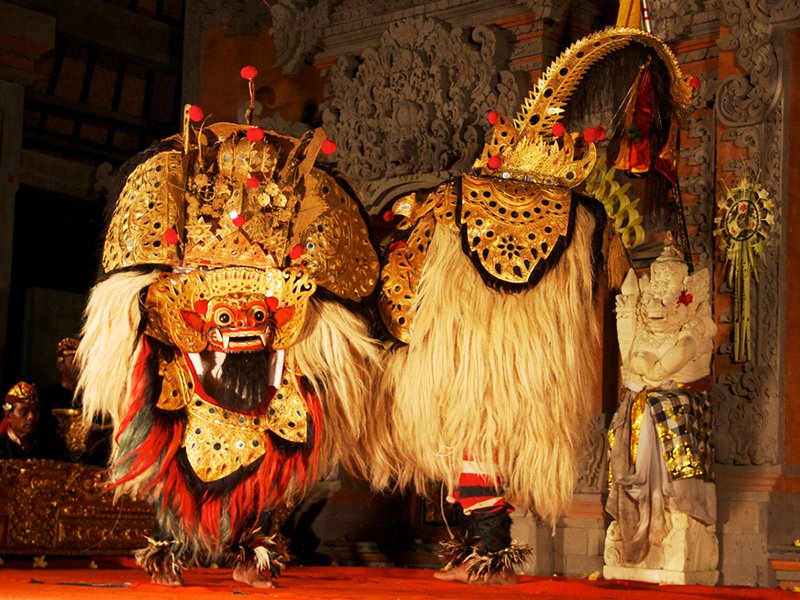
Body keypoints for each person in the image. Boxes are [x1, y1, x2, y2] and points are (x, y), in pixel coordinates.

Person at [0, 382, 68, 460]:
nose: (31, 417)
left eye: (35, 410)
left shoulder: (51, 445)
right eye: (24, 411)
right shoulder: (2, 446)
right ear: (8, 415)